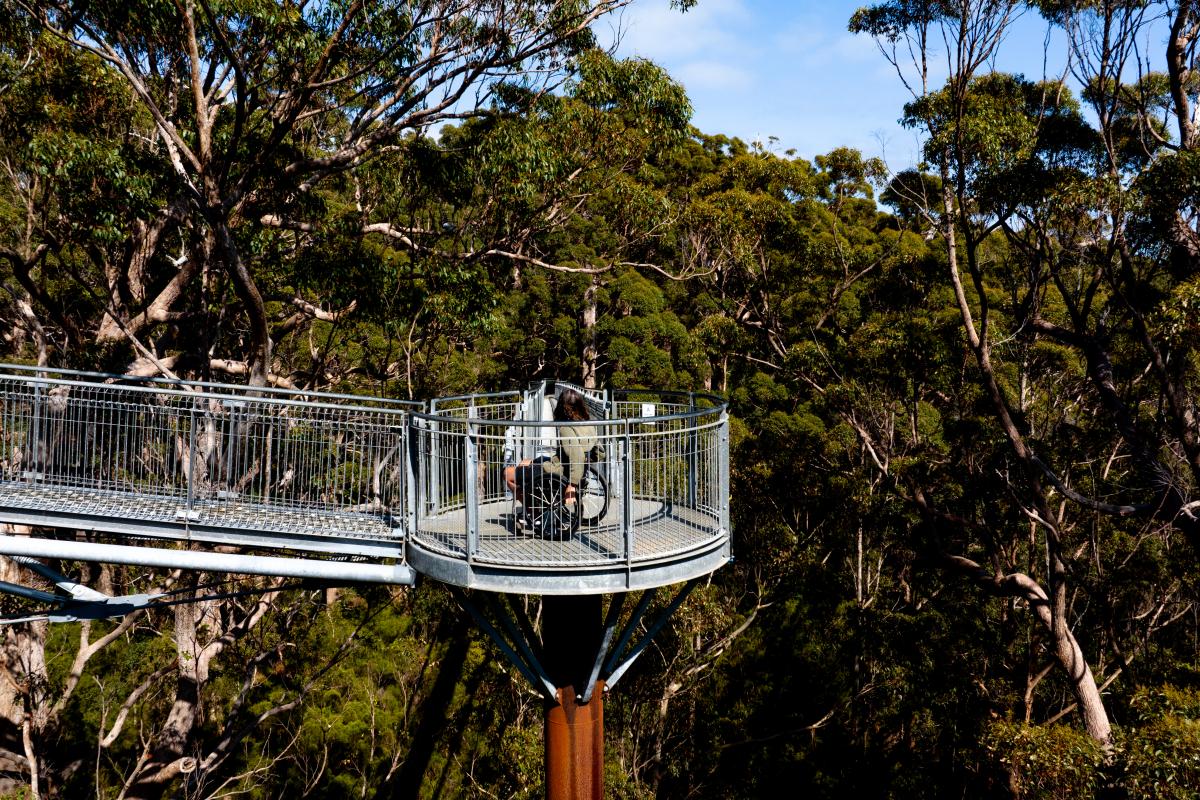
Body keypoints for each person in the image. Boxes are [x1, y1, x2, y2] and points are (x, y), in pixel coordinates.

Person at [504, 388, 596, 527]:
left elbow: (576, 456)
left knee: (507, 474)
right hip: (561, 465)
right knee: (524, 462)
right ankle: (534, 502)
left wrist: (572, 485)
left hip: (557, 473)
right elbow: (600, 453)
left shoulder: (567, 429)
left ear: (561, 406)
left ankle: (534, 512)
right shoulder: (589, 425)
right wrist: (586, 460)